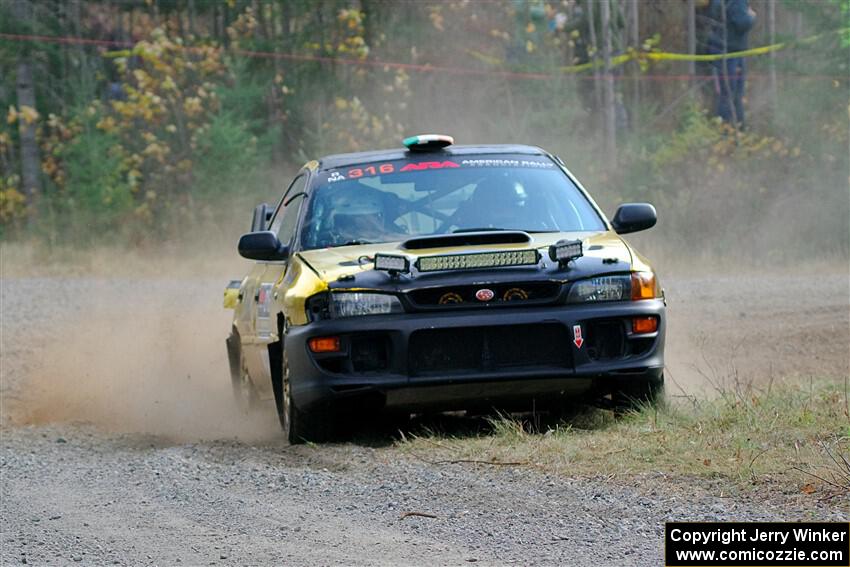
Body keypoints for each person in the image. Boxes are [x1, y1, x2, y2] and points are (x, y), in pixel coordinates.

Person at [707, 0, 756, 128]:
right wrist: (752, 15)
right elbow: (743, 23)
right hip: (732, 52)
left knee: (726, 93)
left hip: (721, 49)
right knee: (733, 94)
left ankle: (730, 128)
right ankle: (734, 129)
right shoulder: (738, 2)